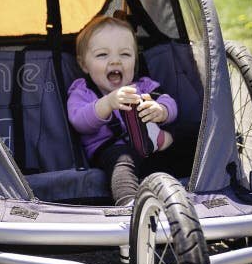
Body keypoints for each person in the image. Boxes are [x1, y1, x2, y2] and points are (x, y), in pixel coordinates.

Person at [67, 15, 176, 206]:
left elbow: (169, 102)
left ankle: (202, 184)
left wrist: (162, 110)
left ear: (135, 60)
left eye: (125, 55)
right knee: (122, 162)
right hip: (110, 149)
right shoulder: (82, 90)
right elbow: (79, 121)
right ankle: (129, 204)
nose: (115, 61)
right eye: (102, 55)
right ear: (84, 64)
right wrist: (107, 103)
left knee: (187, 136)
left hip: (151, 146)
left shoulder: (143, 85)